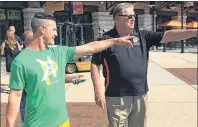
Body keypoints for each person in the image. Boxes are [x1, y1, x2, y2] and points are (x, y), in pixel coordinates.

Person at [6, 12, 133, 127]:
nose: (56, 33)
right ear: (42, 29)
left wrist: (115, 40)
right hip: (37, 123)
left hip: (62, 121)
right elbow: (15, 97)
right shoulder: (21, 61)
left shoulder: (59, 51)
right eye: (54, 29)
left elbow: (91, 47)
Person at [90, 3, 197, 127]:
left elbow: (168, 35)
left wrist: (193, 32)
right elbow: (94, 64)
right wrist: (97, 91)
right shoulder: (106, 39)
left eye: (134, 16)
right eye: (129, 16)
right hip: (117, 97)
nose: (133, 19)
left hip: (141, 94)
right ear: (117, 18)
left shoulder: (142, 36)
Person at [18, 29, 86, 125]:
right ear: (26, 43)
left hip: (52, 115)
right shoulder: (22, 60)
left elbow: (51, 76)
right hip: (35, 115)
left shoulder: (46, 55)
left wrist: (71, 78)